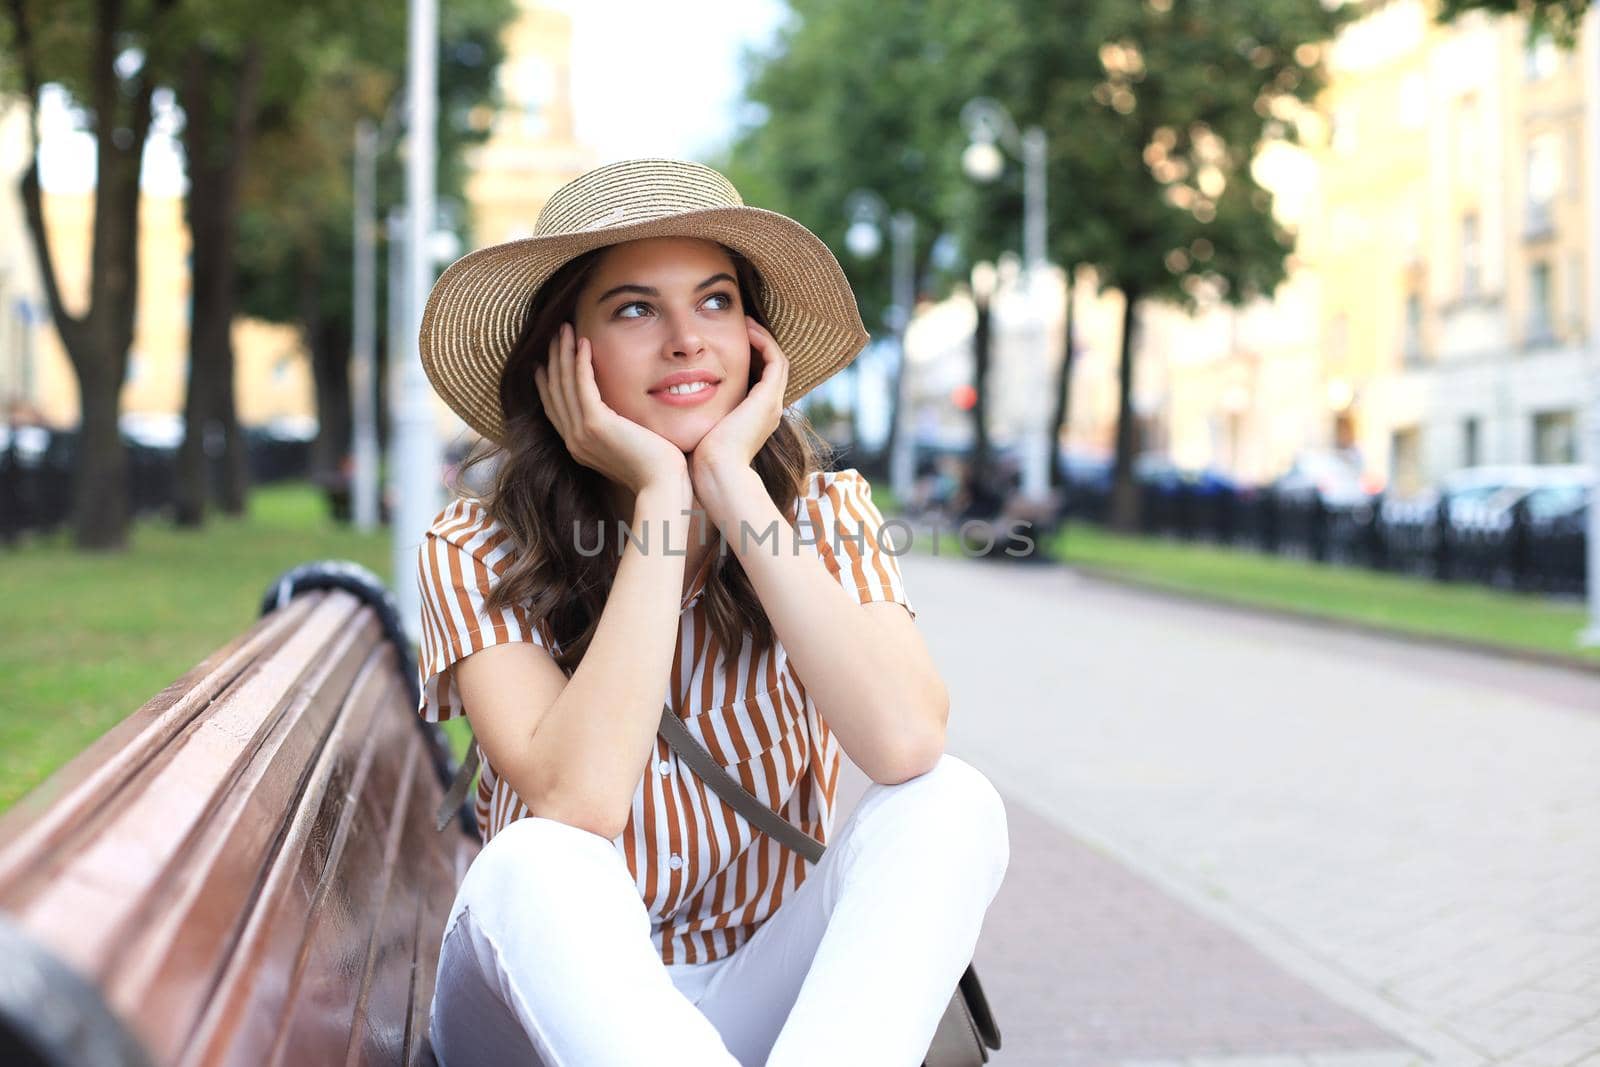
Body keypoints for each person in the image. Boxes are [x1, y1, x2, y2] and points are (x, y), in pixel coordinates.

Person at [414, 158, 1009, 1067]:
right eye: (636, 308)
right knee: (536, 860)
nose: (689, 338)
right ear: (561, 357)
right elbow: (578, 799)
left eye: (717, 301)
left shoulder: (820, 512)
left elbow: (903, 742)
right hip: (535, 1002)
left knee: (950, 800)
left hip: (763, 996)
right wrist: (660, 495)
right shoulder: (474, 544)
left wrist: (733, 483)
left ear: (755, 338)